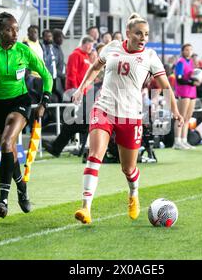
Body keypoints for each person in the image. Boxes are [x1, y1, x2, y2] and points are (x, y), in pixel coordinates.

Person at [71, 13, 184, 224]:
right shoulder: (113, 47)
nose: (143, 38)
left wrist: (175, 111)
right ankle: (86, 207)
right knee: (95, 154)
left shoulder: (150, 56)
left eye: (146, 34)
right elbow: (95, 67)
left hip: (130, 115)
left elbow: (165, 87)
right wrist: (80, 89)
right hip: (103, 108)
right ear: (128, 33)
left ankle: (133, 194)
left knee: (128, 168)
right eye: (139, 33)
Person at [0, 12, 53, 218]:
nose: (14, 33)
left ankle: (2, 199)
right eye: (9, 29)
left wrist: (44, 102)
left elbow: (46, 75)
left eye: (16, 29)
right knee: (9, 150)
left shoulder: (24, 50)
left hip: (19, 102)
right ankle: (21, 187)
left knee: (6, 143)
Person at [173, 44, 199, 150]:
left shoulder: (192, 63)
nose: (189, 52)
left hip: (192, 92)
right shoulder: (180, 62)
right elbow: (179, 78)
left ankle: (184, 140)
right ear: (183, 51)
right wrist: (191, 81)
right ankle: (177, 141)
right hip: (183, 92)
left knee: (188, 118)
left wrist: (197, 80)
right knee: (181, 117)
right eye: (186, 50)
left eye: (190, 50)